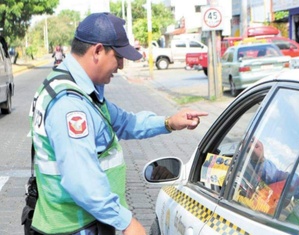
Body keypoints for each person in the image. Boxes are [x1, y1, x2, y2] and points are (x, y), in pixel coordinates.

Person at [28, 12, 208, 235]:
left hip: (81, 223)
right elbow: (82, 181)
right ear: (97, 51)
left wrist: (169, 122)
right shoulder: (71, 106)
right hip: (73, 227)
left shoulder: (77, 90)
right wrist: (126, 222)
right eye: (118, 57)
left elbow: (124, 122)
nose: (121, 66)